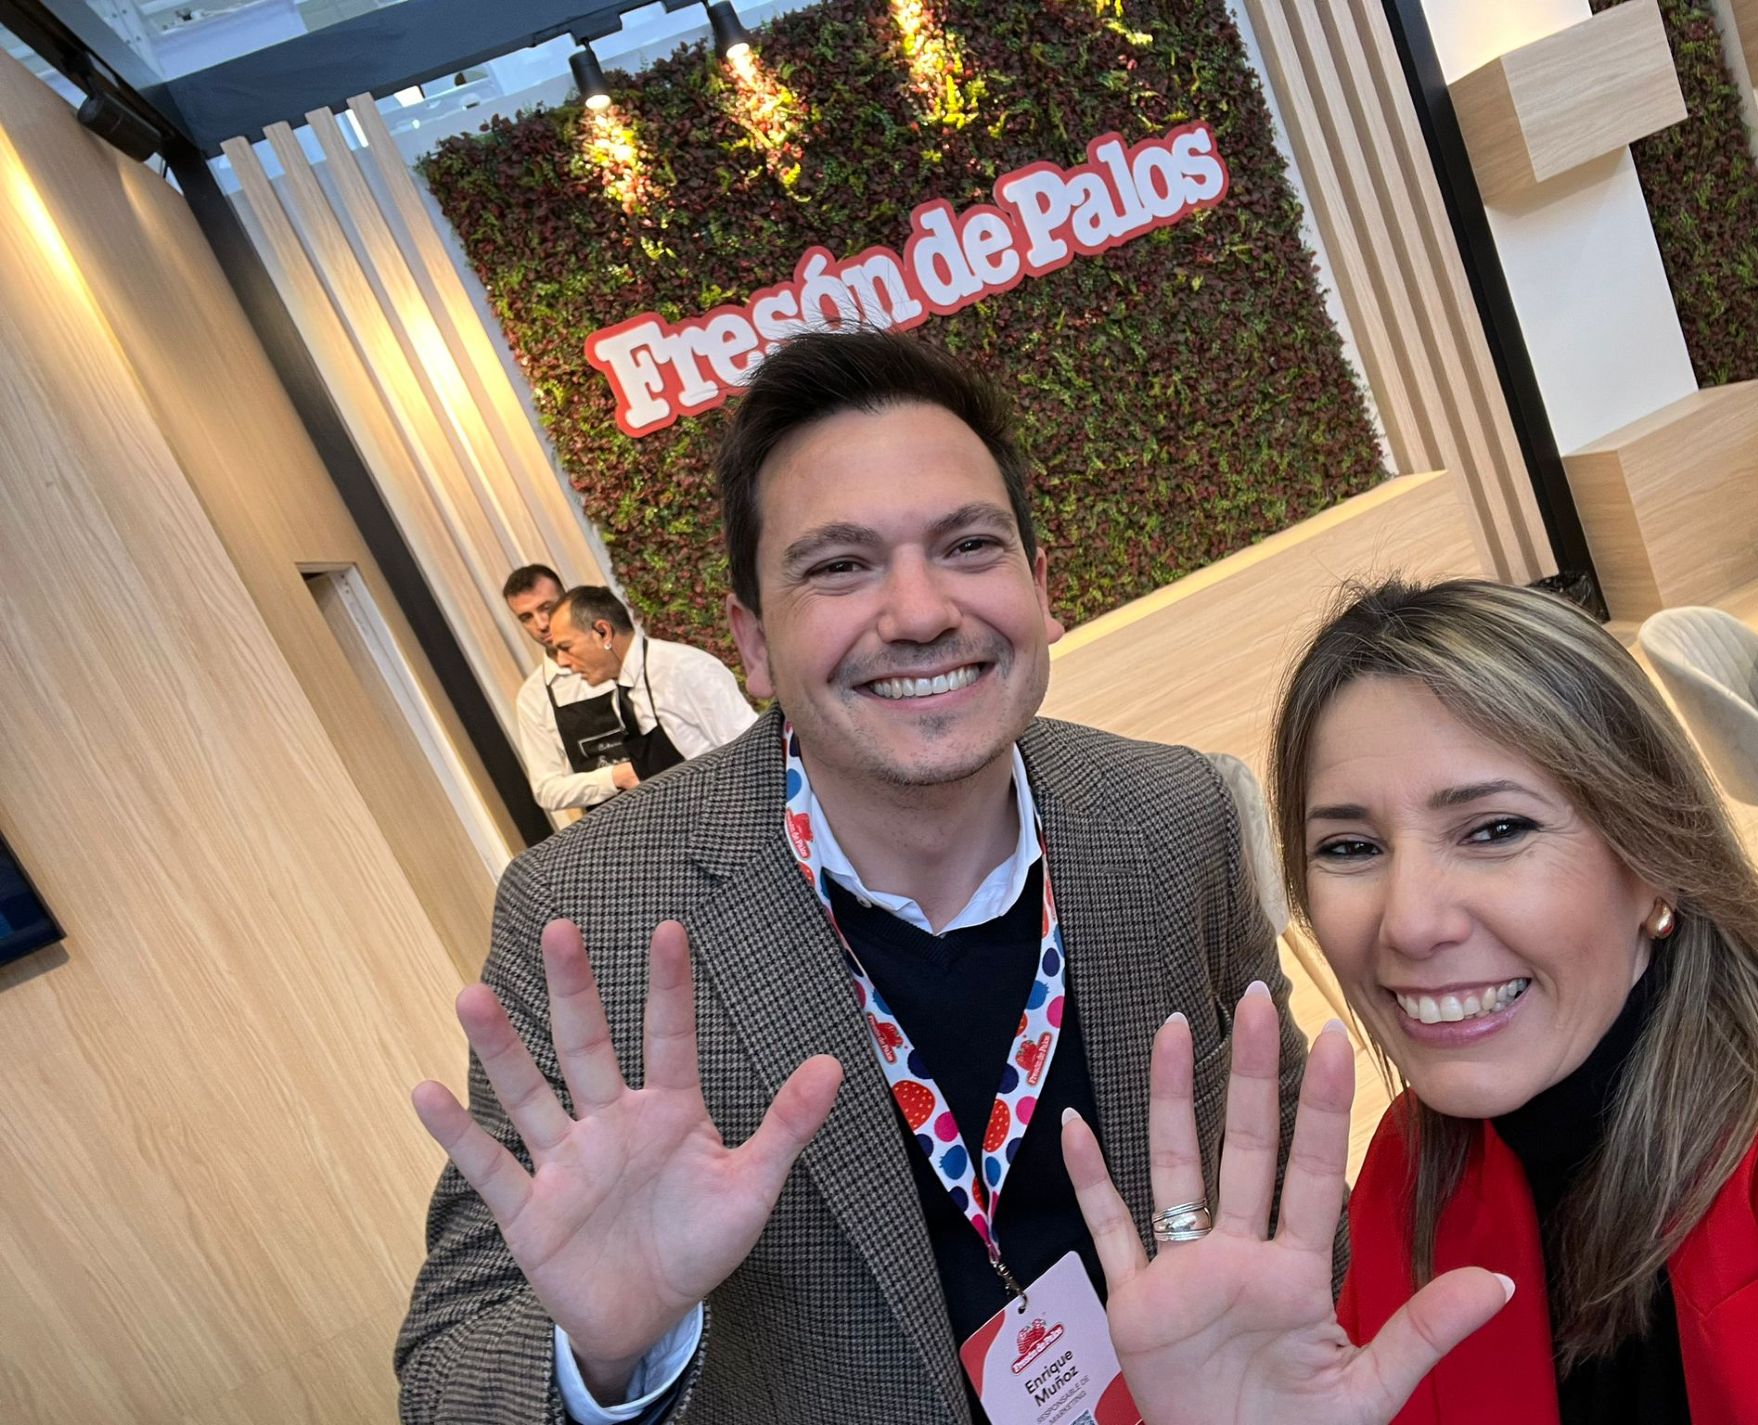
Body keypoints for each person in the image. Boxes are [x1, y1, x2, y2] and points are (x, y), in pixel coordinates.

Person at [396, 329, 1367, 1425]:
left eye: (969, 545)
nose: (918, 613)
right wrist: (608, 1352)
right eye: (839, 566)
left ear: (1041, 589)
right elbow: (451, 1371)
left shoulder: (1173, 816)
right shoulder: (594, 917)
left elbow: (1283, 1145)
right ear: (752, 642)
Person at [1062, 578, 1758, 1425]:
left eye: (1497, 829)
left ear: (1655, 855)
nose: (1410, 921)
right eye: (1350, 846)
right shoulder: (1413, 1183)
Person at [543, 584, 758, 787]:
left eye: (566, 647)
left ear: (603, 632)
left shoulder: (684, 670)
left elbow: (753, 753)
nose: (561, 662)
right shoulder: (621, 697)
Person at [505, 564, 627, 813]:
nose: (541, 624)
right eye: (526, 617)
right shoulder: (533, 697)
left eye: (546, 607)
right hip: (613, 820)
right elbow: (546, 790)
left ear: (567, 599)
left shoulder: (620, 655)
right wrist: (615, 777)